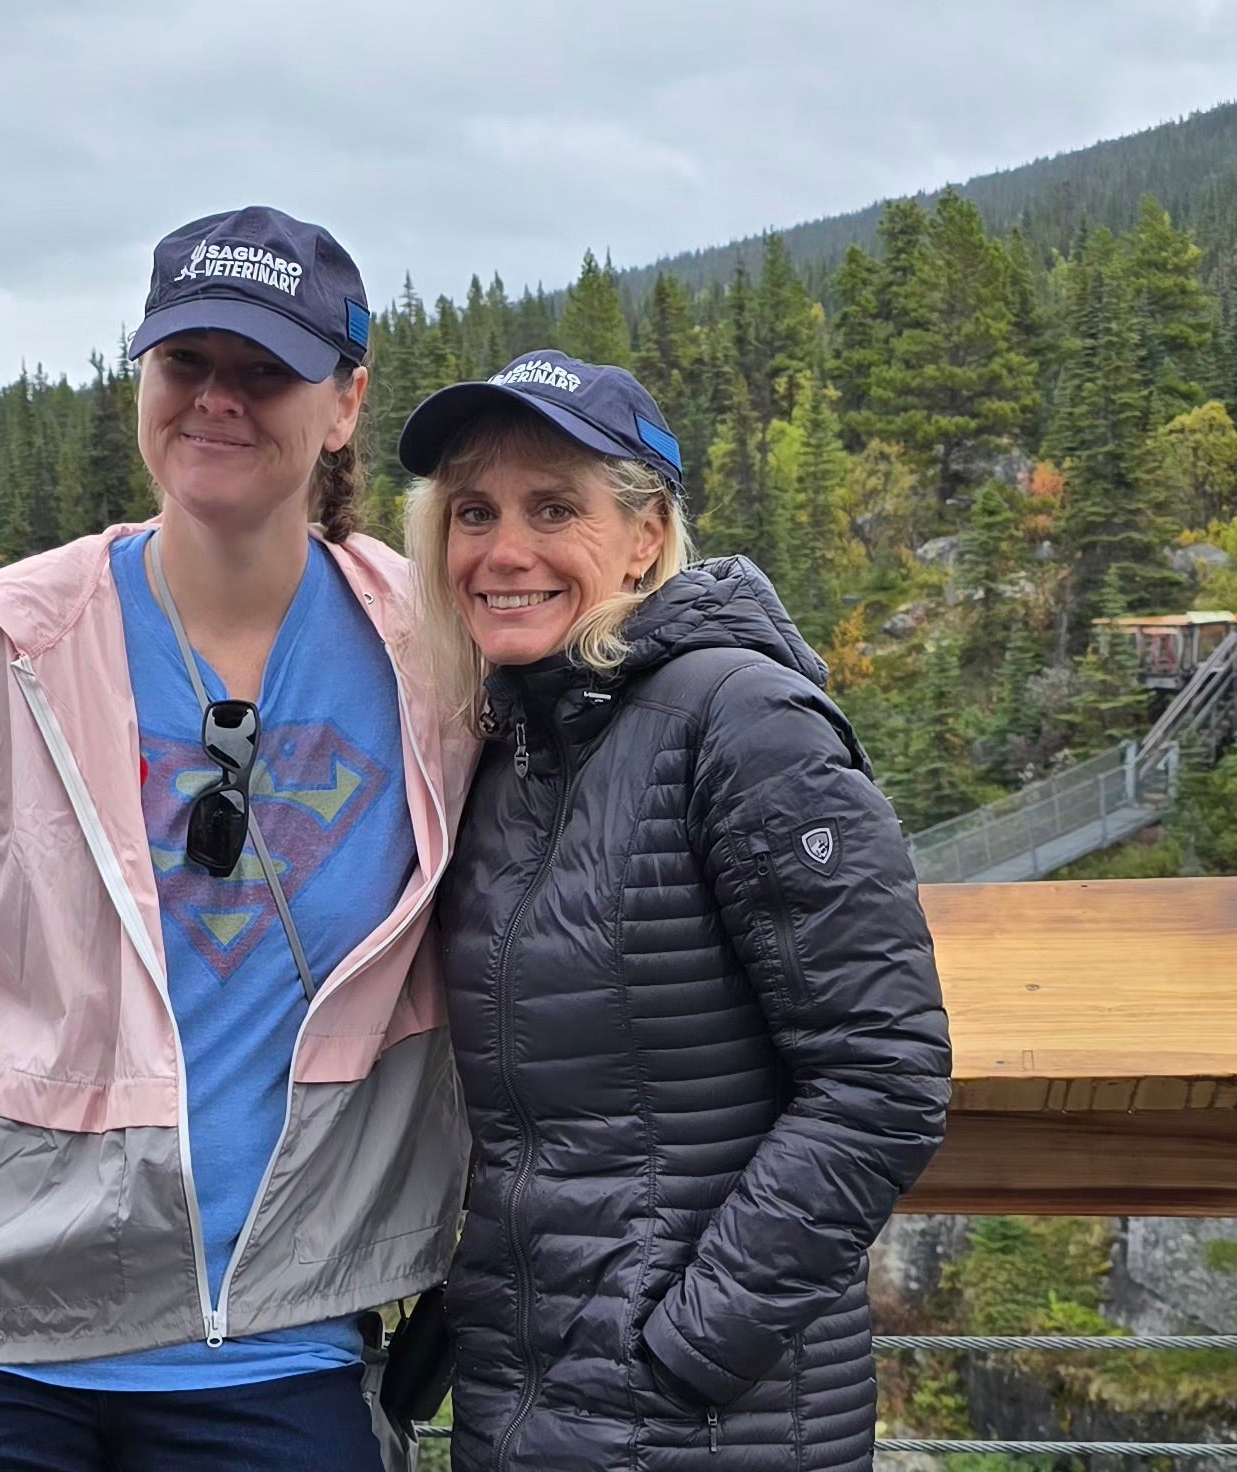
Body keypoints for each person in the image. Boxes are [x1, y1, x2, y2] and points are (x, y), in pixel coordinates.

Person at [0, 205, 474, 1472]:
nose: (216, 398)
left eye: (264, 369)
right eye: (185, 361)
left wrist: (473, 1252)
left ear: (344, 403)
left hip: (275, 1331)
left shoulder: (431, 652)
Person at [396, 351, 953, 1472]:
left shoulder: (741, 722)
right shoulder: (513, 749)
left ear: (646, 534)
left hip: (703, 1420)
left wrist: (686, 1352)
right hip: (529, 1405)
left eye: (554, 508)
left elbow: (883, 1078)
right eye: (473, 512)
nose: (502, 551)